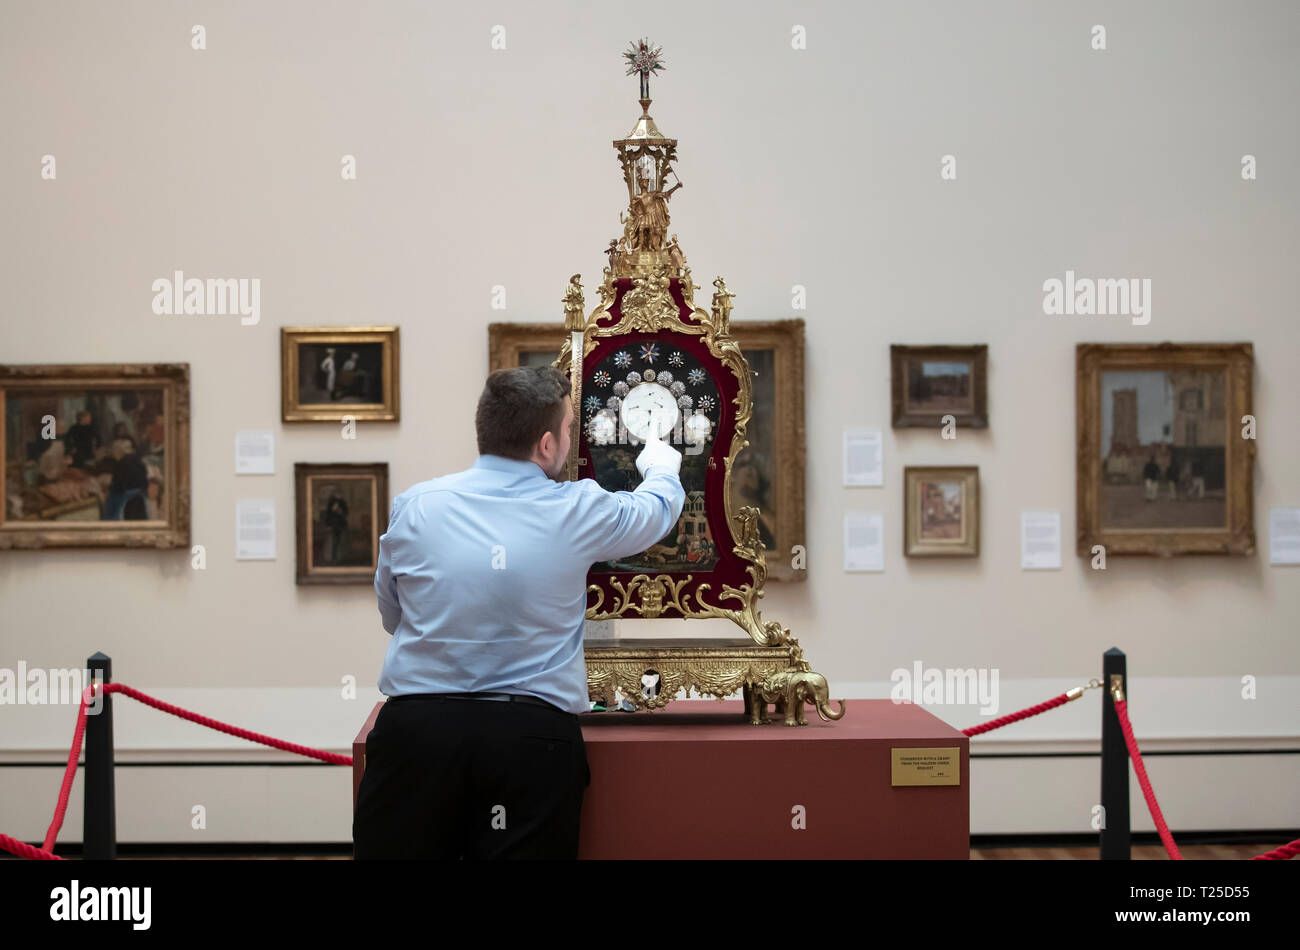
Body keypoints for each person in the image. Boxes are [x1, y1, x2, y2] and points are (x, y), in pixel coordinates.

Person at [353, 366, 684, 859]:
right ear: (546, 445)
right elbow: (654, 511)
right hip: (529, 742)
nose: (572, 440)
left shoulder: (416, 506)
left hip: (417, 734)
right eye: (571, 429)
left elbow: (393, 611)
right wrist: (661, 463)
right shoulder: (577, 509)